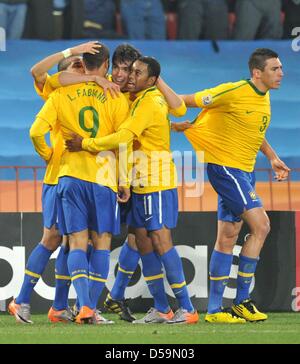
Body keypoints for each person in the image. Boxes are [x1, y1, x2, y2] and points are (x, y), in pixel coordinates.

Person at [67, 57, 199, 324]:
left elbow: (126, 135)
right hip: (134, 181)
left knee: (160, 239)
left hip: (154, 180)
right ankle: (162, 309)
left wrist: (86, 143)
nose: (128, 75)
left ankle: (187, 308)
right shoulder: (135, 98)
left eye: (136, 72)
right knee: (141, 240)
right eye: (128, 70)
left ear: (151, 80)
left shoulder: (150, 100)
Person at [8, 41, 117, 324]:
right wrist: (72, 53)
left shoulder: (95, 89)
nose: (80, 69)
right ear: (65, 72)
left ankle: (60, 306)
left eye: (83, 65)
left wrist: (92, 76)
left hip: (77, 176)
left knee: (71, 243)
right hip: (59, 176)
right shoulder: (57, 90)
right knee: (53, 238)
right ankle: (20, 300)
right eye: (74, 68)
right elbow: (38, 71)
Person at [178, 48, 290, 323]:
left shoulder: (263, 98)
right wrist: (157, 100)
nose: (281, 74)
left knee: (228, 236)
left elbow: (254, 132)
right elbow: (186, 101)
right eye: (275, 69)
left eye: (280, 68)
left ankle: (215, 311)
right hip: (227, 168)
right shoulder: (233, 91)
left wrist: (273, 157)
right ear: (257, 72)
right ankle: (241, 301)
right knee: (261, 225)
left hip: (244, 170)